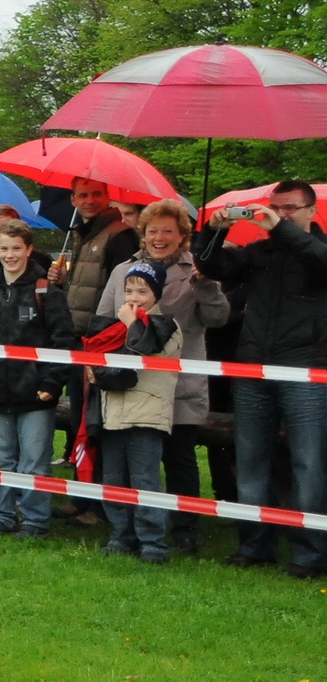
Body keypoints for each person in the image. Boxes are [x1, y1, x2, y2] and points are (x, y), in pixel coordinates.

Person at [194, 180, 327, 578]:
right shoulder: (260, 252)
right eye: (275, 207)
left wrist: (278, 227)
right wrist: (214, 230)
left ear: (310, 211)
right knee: (251, 462)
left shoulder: (318, 250)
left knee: (309, 464)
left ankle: (310, 554)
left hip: (306, 369)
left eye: (289, 208)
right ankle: (255, 545)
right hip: (253, 367)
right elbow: (212, 266)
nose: (280, 214)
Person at [95, 198, 230, 554]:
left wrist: (205, 284)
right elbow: (106, 319)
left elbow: (218, 319)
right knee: (131, 465)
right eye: (152, 230)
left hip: (180, 384)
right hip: (131, 386)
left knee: (180, 459)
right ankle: (126, 532)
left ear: (183, 235)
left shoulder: (198, 269)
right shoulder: (123, 269)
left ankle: (185, 528)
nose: (159, 237)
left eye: (167, 230)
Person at [0, 220, 81, 539]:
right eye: (4, 248)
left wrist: (52, 384)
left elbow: (63, 341)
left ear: (29, 249)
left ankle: (35, 520)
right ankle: (1, 514)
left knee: (34, 462)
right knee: (1, 460)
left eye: (16, 248)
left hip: (36, 394)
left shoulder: (47, 292)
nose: (10, 255)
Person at [81, 263, 182, 563]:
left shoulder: (167, 326)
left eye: (142, 291)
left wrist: (131, 324)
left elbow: (143, 351)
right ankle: (121, 534)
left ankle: (152, 541)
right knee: (113, 478)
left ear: (156, 294)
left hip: (146, 414)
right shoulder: (116, 325)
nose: (134, 297)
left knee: (144, 479)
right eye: (128, 291)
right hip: (113, 413)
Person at [48, 177, 139, 331]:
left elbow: (123, 291)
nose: (90, 200)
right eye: (83, 195)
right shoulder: (83, 234)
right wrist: (65, 279)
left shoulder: (120, 236)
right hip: (75, 331)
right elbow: (88, 283)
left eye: (96, 194)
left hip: (100, 334)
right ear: (73, 199)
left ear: (107, 197)